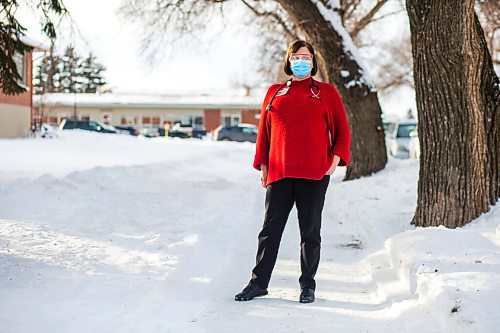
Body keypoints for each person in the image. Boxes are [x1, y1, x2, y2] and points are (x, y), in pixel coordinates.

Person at [234, 40, 351, 303]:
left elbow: (343, 131)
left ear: (313, 61)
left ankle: (307, 285)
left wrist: (334, 160)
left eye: (306, 57)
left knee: (310, 232)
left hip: (314, 174)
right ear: (289, 60)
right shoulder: (275, 92)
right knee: (269, 231)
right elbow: (264, 132)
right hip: (280, 172)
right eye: (296, 56)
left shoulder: (326, 92)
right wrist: (263, 164)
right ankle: (258, 283)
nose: (301, 61)